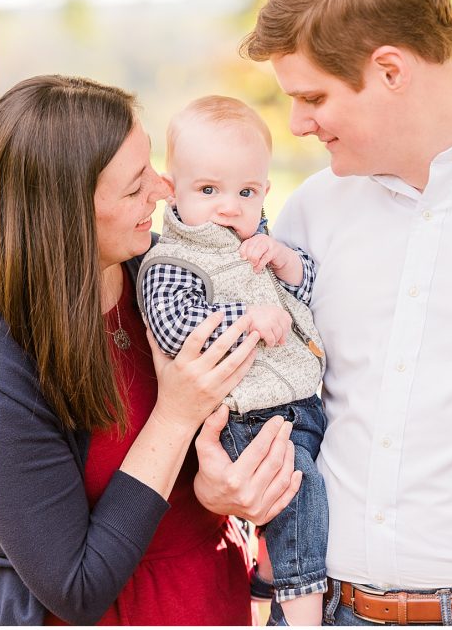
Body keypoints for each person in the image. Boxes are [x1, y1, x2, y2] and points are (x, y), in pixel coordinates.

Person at [192, 0, 452, 625]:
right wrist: (215, 485)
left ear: (390, 70)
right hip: (326, 608)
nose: (296, 124)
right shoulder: (306, 215)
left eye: (313, 98)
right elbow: (263, 391)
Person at [0, 75, 286, 625]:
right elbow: (75, 589)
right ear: (66, 213)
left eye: (152, 165)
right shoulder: (7, 372)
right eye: (134, 187)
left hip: (215, 596)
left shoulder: (168, 274)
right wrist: (176, 415)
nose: (165, 189)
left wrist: (222, 488)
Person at [137, 96, 328, 626]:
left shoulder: (258, 242)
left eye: (245, 191)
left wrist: (286, 262)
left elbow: (310, 292)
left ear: (265, 190)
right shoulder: (174, 259)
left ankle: (269, 569)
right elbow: (175, 324)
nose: (228, 206)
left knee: (299, 493)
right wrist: (245, 317)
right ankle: (302, 603)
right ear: (172, 191)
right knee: (299, 490)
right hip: (250, 412)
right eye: (208, 190)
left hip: (298, 401)